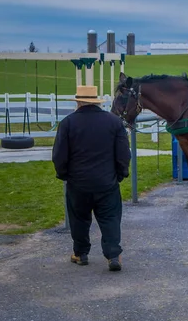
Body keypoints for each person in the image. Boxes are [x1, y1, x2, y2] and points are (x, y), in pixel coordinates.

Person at [52, 85, 131, 272]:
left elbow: (59, 155)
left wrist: (64, 174)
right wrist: (120, 174)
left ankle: (81, 253)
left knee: (79, 218)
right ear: (96, 102)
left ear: (79, 102)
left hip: (78, 182)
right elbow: (123, 154)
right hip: (107, 181)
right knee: (110, 217)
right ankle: (113, 254)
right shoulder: (113, 122)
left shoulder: (68, 123)